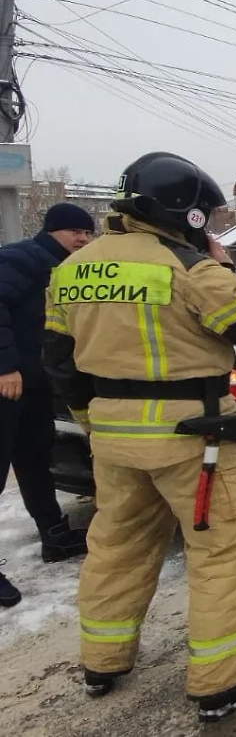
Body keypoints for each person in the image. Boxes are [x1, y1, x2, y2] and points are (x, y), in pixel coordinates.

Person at [43, 152, 236, 723]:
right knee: (220, 552)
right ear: (187, 213)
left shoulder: (72, 268)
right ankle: (221, 680)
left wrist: (91, 420)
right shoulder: (189, 267)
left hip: (113, 436)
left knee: (117, 546)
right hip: (195, 439)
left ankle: (102, 661)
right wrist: (223, 266)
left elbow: (59, 360)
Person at [0, 203, 95, 610]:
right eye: (76, 232)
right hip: (6, 383)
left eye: (87, 233)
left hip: (35, 386)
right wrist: (5, 367)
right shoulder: (21, 258)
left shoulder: (68, 267)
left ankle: (54, 535)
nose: (83, 239)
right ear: (54, 230)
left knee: (34, 458)